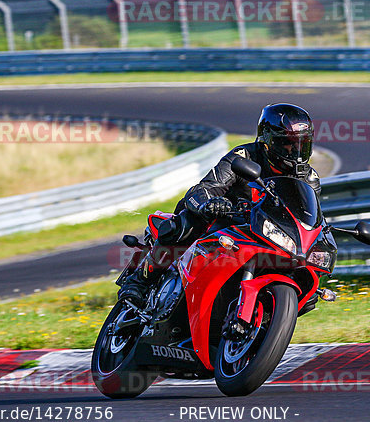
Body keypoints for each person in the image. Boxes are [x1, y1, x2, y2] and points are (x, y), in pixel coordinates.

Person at [118, 103, 321, 312]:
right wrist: (210, 203)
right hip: (222, 219)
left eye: (301, 144)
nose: (294, 151)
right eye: (287, 143)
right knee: (188, 221)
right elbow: (204, 188)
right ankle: (139, 281)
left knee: (306, 290)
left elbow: (308, 219)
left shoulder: (309, 178)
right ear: (268, 140)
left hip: (261, 233)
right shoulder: (244, 156)